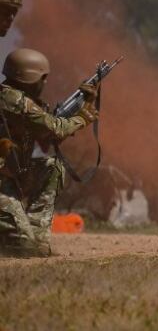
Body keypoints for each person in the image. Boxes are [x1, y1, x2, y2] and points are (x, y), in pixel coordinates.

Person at [0, 48, 98, 257]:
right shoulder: (11, 99)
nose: (44, 84)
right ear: (30, 77)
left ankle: (38, 239)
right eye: (43, 79)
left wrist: (83, 105)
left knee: (52, 167)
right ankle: (21, 240)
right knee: (21, 248)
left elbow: (48, 138)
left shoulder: (24, 103)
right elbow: (55, 128)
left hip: (12, 179)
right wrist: (81, 118)